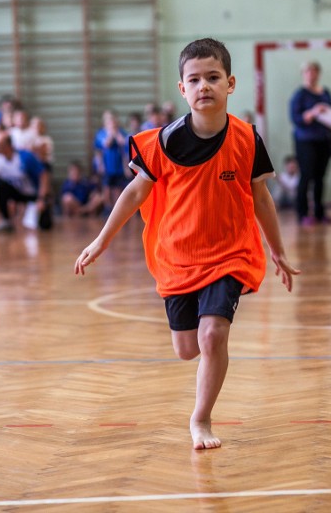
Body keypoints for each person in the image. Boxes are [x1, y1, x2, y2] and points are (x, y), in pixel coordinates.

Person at [74, 38, 299, 450]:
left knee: (213, 336)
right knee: (186, 349)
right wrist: (102, 239)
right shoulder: (163, 142)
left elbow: (262, 198)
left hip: (230, 253)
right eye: (194, 80)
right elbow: (134, 193)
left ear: (230, 83)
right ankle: (199, 381)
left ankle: (201, 419)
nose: (204, 87)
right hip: (178, 256)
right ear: (182, 89)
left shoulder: (248, 139)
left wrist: (278, 249)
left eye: (213, 78)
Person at [289, 60, 331, 226]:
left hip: (324, 139)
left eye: (314, 71)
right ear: (303, 74)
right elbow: (296, 119)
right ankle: (302, 213)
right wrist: (313, 112)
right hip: (305, 140)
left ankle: (319, 212)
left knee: (320, 177)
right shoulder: (300, 95)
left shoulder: (325, 93)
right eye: (308, 71)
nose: (311, 74)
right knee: (306, 176)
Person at [0, 128, 50, 233]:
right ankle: (6, 221)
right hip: (17, 193)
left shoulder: (25, 157)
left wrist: (41, 199)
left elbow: (44, 175)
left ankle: (39, 211)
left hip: (33, 194)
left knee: (45, 225)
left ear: (7, 145)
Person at [94, 109, 129, 210]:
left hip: (118, 166)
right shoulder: (102, 133)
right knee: (107, 188)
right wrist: (110, 134)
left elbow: (124, 143)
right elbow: (105, 144)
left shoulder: (120, 132)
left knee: (118, 189)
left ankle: (116, 208)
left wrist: (116, 133)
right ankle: (108, 208)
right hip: (107, 166)